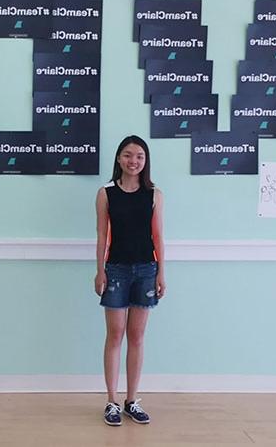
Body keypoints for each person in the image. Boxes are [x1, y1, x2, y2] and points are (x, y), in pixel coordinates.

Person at [94, 135, 165, 426]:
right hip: (116, 270)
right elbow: (101, 235)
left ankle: (131, 400)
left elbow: (158, 236)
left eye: (139, 156)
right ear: (119, 159)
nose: (133, 161)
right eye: (127, 155)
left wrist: (161, 271)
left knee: (137, 336)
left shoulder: (154, 195)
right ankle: (111, 400)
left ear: (145, 161)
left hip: (147, 270)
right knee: (115, 335)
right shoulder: (106, 193)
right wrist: (100, 270)